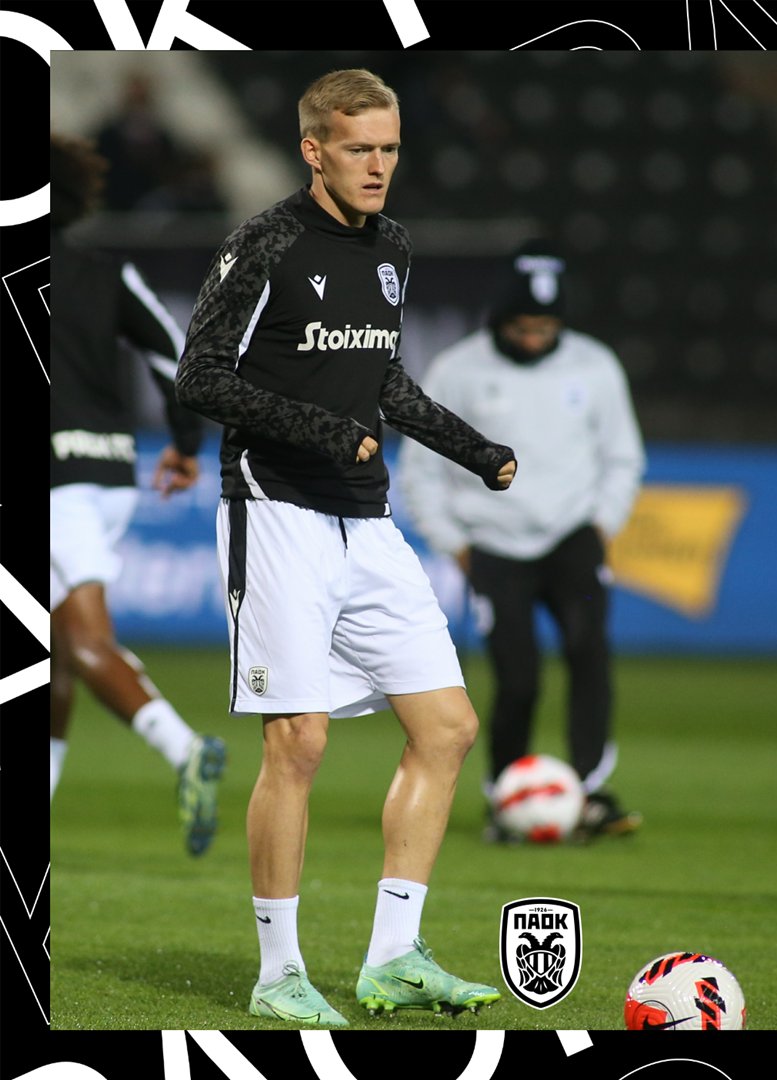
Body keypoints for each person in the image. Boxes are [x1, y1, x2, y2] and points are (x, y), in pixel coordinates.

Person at [175, 68, 516, 1027]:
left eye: (390, 148)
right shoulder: (265, 242)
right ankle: (278, 972)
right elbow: (199, 374)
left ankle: (394, 958)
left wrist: (473, 449)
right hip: (275, 509)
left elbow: (383, 381)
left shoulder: (393, 246)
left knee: (448, 728)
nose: (378, 166)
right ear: (313, 149)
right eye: (359, 148)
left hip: (368, 520)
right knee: (300, 740)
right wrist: (318, 428)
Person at [397, 240, 646, 843]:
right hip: (492, 544)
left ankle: (588, 791)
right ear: (500, 318)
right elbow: (420, 469)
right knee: (518, 677)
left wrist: (601, 525)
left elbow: (623, 456)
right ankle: (507, 795)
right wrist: (455, 542)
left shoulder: (595, 366)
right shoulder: (458, 369)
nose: (534, 338)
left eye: (545, 328)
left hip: (573, 537)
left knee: (589, 653)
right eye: (522, 326)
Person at [49, 133, 227, 857]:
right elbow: (176, 354)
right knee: (55, 652)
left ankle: (184, 748)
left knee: (86, 640)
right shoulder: (105, 271)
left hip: (54, 484)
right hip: (109, 475)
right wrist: (185, 442)